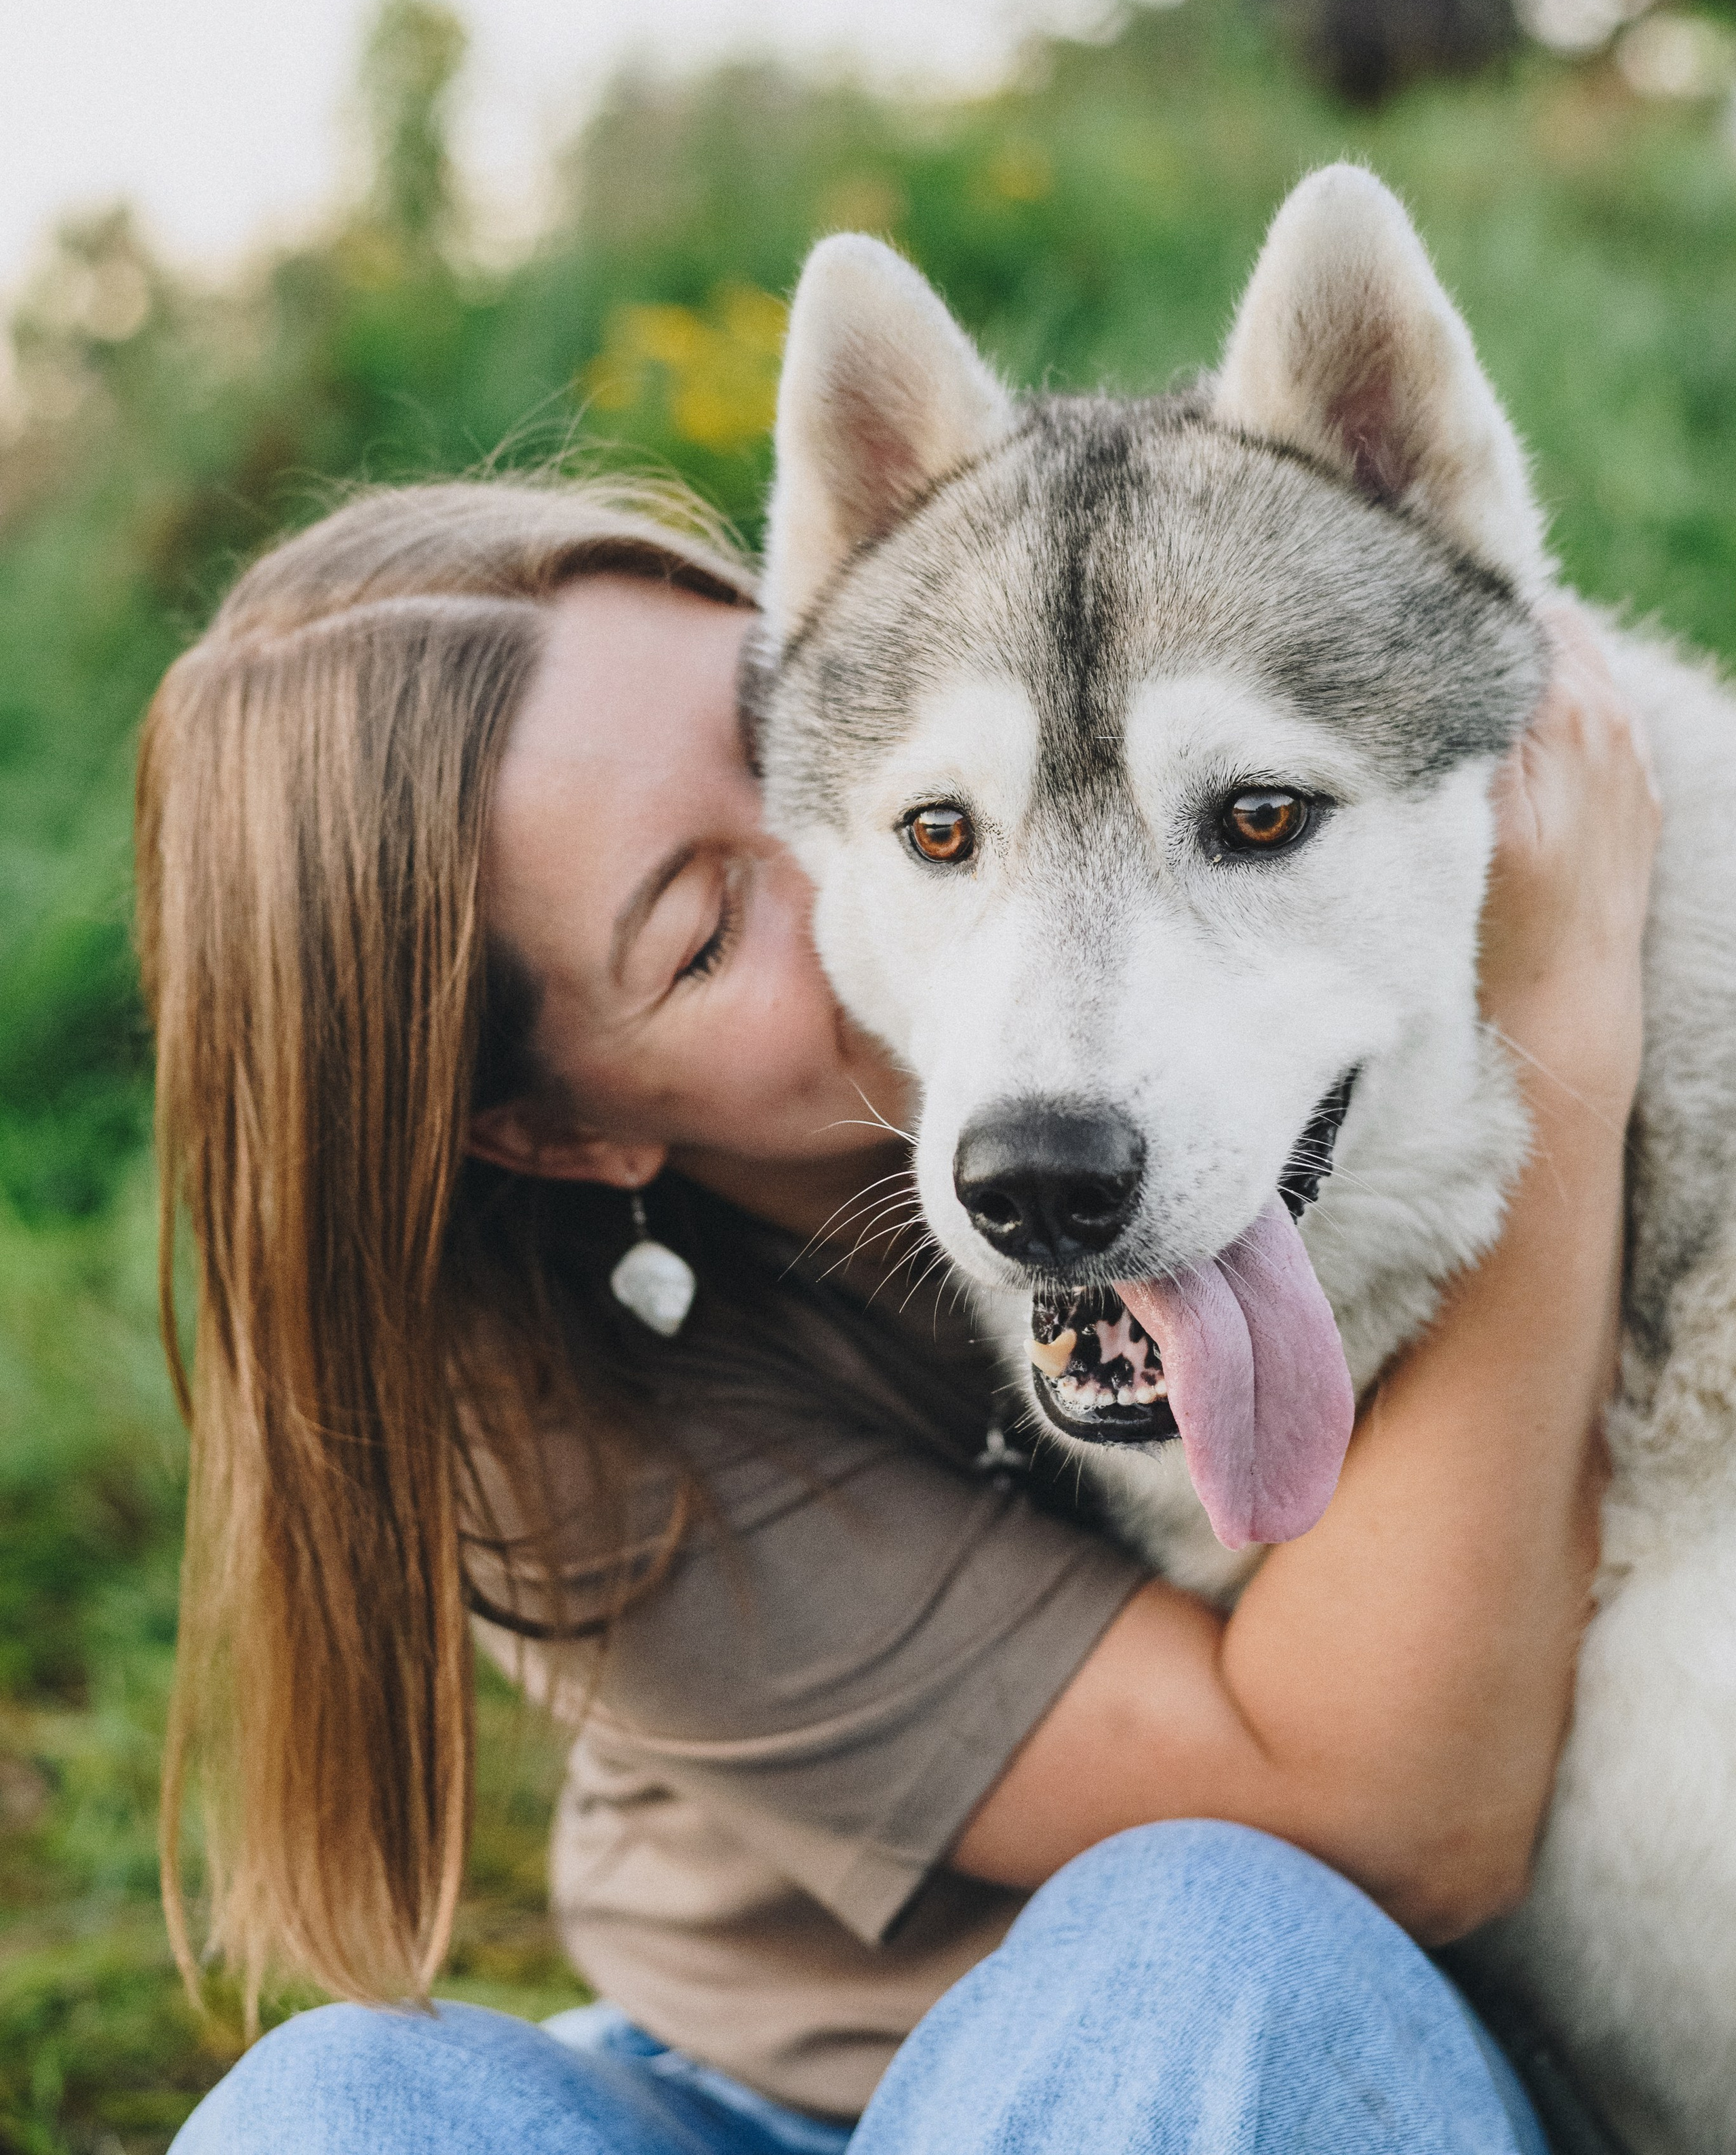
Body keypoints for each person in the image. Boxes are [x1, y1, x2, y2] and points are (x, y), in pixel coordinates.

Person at [142, 475, 1657, 2155]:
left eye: (807, 728)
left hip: (1300, 2054)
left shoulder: (1196, 991)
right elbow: (1371, 1814)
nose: (858, 838)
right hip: (840, 2096)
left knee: (1198, 1949)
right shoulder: (551, 1427)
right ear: (564, 1133)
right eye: (711, 926)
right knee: (331, 2110)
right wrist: (1557, 1026)